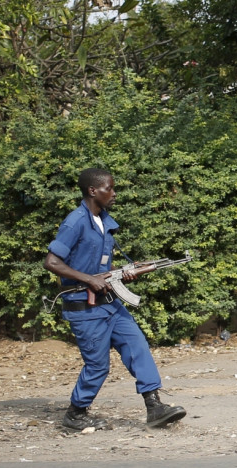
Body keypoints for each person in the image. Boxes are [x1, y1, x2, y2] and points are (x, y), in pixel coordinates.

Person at [43, 168, 187, 430]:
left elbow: (99, 266)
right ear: (92, 191)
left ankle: (155, 407)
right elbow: (52, 262)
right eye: (109, 188)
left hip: (110, 304)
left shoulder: (104, 222)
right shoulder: (75, 221)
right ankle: (76, 413)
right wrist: (89, 279)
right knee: (98, 366)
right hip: (85, 308)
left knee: (137, 347)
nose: (114, 193)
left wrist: (124, 273)